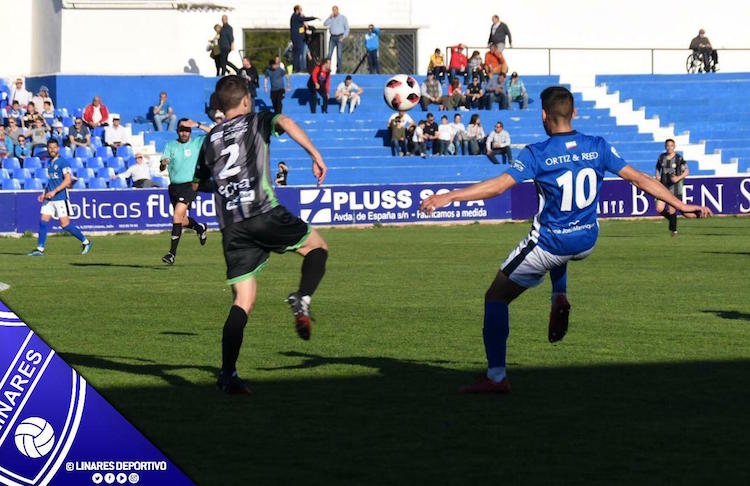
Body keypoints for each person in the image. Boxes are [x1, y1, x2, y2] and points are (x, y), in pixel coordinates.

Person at [419, 86, 712, 394]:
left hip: (551, 243)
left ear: (544, 116)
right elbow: (640, 178)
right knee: (561, 246)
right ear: (574, 113)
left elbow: (498, 186)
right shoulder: (597, 145)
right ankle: (559, 293)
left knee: (495, 297)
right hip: (587, 239)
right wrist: (680, 205)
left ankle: (496, 377)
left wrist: (450, 196)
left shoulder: (537, 153)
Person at [192, 75, 329, 394]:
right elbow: (287, 120)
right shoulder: (256, 119)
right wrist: (315, 155)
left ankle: (228, 375)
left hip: (232, 228)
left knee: (243, 300)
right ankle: (302, 298)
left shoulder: (209, 139)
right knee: (317, 247)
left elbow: (203, 181)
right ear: (245, 101)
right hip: (262, 211)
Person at [159, 118, 211, 265]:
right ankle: (200, 227)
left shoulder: (197, 142)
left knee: (176, 216)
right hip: (174, 186)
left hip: (190, 184)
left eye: (187, 130)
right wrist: (163, 164)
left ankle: (171, 254)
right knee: (182, 220)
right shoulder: (170, 145)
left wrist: (198, 124)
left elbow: (214, 132)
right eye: (182, 130)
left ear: (190, 131)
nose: (184, 133)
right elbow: (162, 167)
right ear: (177, 131)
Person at [28, 139, 93, 257]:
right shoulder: (50, 163)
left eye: (54, 147)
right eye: (50, 148)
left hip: (60, 198)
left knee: (65, 225)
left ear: (58, 148)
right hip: (49, 198)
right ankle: (40, 249)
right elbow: (51, 181)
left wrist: (54, 191)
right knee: (43, 222)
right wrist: (44, 193)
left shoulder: (63, 162)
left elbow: (68, 180)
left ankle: (86, 242)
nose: (52, 150)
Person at [655, 139, 690, 236]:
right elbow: (658, 168)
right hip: (663, 186)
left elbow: (687, 171)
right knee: (659, 208)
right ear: (665, 146)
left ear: (674, 146)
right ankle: (672, 220)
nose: (669, 147)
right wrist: (657, 176)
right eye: (667, 145)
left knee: (672, 209)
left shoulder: (679, 158)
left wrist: (678, 177)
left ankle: (674, 231)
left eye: (671, 145)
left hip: (675, 187)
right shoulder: (661, 157)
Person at [290, 5, 318, 73]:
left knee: (298, 53)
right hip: (297, 38)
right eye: (300, 10)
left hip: (300, 38)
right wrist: (313, 18)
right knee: (298, 54)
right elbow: (304, 19)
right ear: (297, 10)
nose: (301, 11)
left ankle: (297, 68)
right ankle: (297, 68)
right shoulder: (296, 17)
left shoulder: (298, 19)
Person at [324, 5, 349, 73]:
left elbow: (347, 29)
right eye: (333, 10)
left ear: (338, 10)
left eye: (335, 10)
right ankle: (327, 68)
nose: (334, 11)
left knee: (339, 54)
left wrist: (343, 37)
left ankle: (339, 70)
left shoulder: (343, 18)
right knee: (329, 54)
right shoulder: (331, 18)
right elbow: (325, 24)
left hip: (340, 36)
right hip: (332, 37)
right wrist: (329, 17)